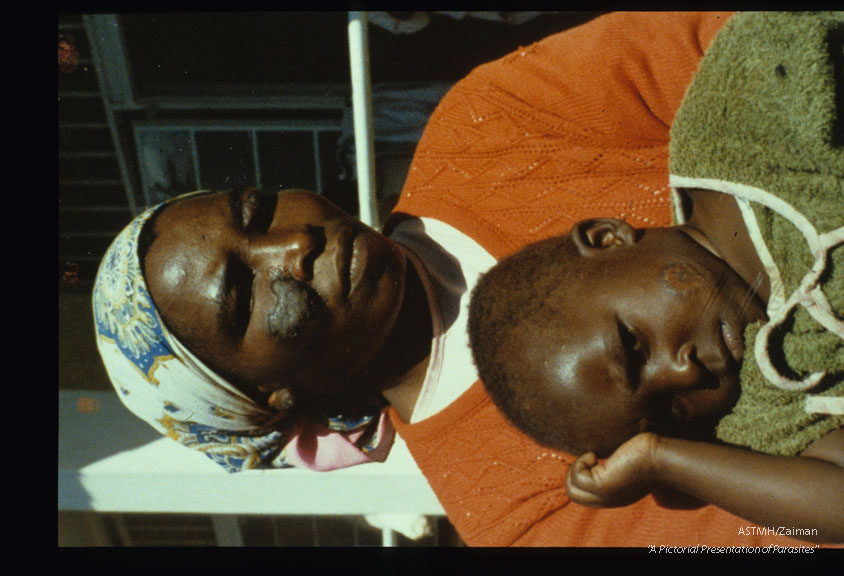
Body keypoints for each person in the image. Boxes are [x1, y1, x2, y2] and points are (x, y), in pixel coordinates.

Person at [93, 12, 815, 546]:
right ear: (269, 398)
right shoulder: (515, 515)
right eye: (243, 296)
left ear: (604, 241)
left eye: (257, 211)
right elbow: (785, 535)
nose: (292, 243)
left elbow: (748, 48)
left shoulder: (491, 126)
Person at [467, 11, 843, 543]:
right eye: (667, 412)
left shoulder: (745, 125)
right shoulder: (765, 404)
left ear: (606, 238)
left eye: (635, 346)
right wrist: (661, 460)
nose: (682, 373)